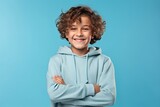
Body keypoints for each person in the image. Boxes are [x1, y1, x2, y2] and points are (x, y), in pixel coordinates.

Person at [46, 5, 116, 107]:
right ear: (66, 33)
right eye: (73, 28)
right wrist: (92, 88)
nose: (79, 33)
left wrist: (66, 94)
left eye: (85, 29)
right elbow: (54, 94)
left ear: (93, 33)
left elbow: (109, 98)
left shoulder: (104, 62)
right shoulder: (56, 61)